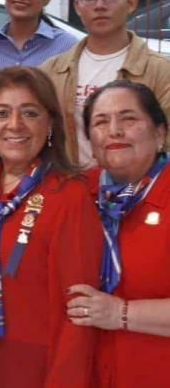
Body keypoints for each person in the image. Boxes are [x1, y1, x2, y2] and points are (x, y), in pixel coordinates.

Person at [0, 66, 103, 387]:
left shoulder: (68, 196)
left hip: (39, 372)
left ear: (50, 125)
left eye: (30, 113)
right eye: (1, 113)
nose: (15, 125)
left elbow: (79, 315)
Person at [67, 80, 170, 387]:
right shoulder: (75, 193)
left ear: (160, 133)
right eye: (100, 121)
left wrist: (122, 313)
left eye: (129, 119)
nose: (114, 130)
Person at [40, 0, 170, 169]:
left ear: (131, 2)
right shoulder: (52, 72)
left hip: (135, 192)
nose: (100, 5)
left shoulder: (161, 72)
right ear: (77, 6)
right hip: (72, 190)